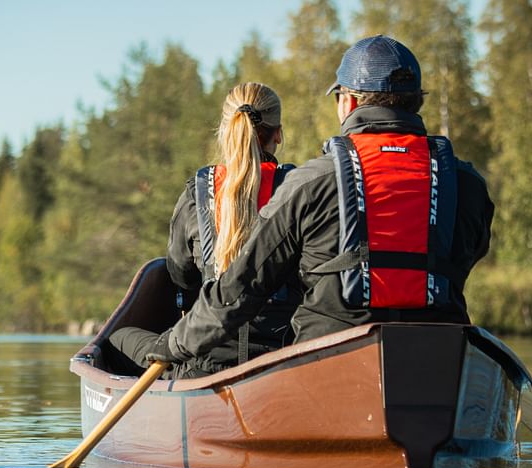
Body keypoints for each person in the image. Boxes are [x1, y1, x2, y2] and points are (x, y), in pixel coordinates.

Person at [140, 35, 494, 366]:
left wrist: (171, 346)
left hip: (331, 360)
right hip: (439, 356)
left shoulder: (310, 183)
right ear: (417, 100)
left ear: (348, 102)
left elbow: (240, 289)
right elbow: (469, 255)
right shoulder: (468, 184)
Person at [104, 82, 302, 378]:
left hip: (205, 365)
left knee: (114, 340)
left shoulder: (197, 194)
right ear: (278, 133)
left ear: (225, 129)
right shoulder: (300, 189)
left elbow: (180, 273)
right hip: (281, 358)